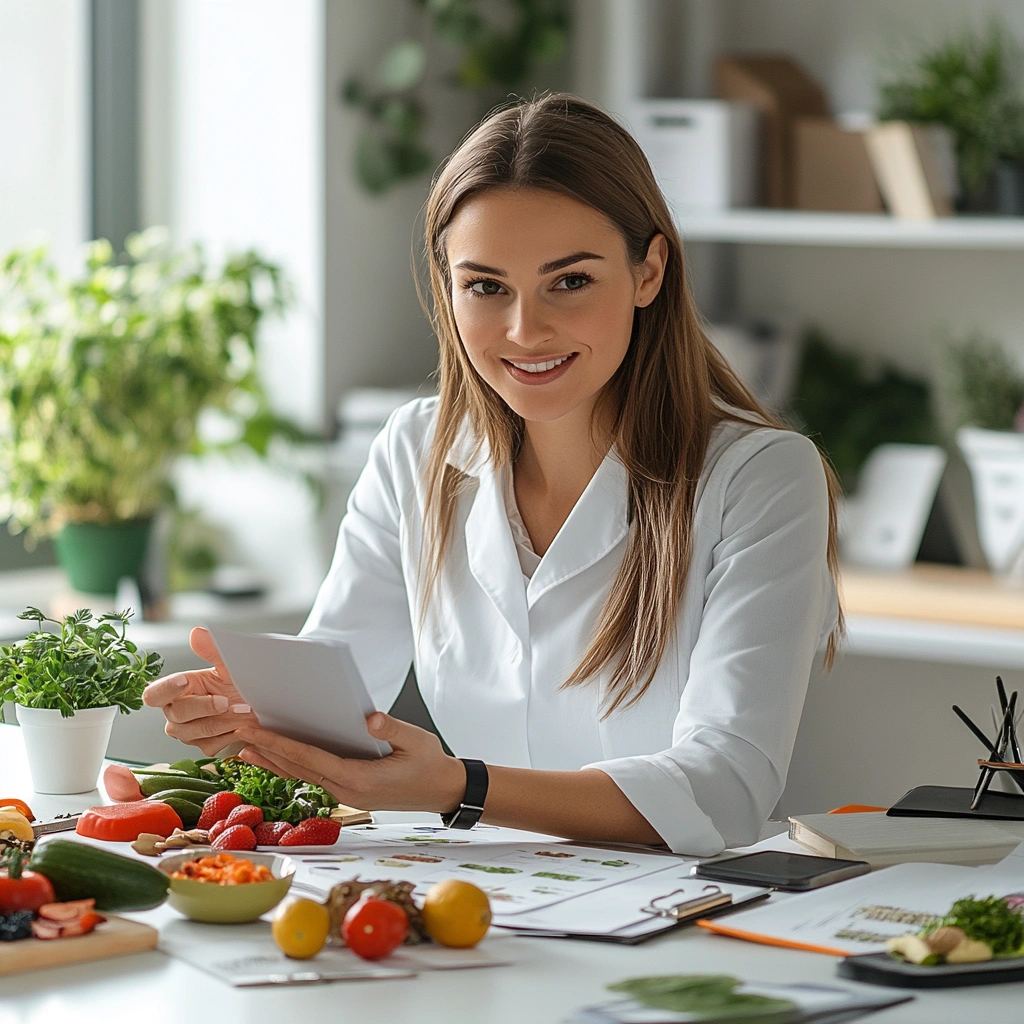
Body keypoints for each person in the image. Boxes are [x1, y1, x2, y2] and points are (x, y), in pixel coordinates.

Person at [144, 93, 842, 856]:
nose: (524, 330)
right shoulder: (414, 451)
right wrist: (249, 716)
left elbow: (725, 788)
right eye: (486, 286)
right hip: (489, 900)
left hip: (680, 906)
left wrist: (460, 786)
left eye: (569, 282)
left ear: (648, 271)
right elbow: (340, 698)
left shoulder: (761, 478)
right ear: (448, 286)